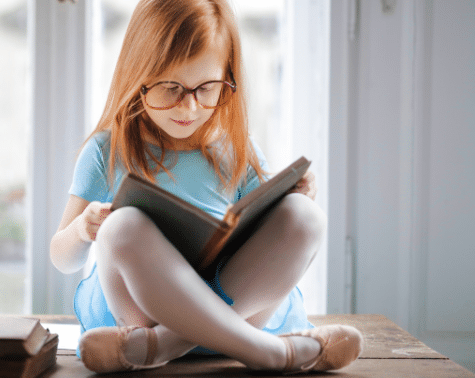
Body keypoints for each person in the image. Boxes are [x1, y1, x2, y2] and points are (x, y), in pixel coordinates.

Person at [50, 0, 363, 374]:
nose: (189, 107)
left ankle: (166, 345)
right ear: (138, 78)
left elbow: (267, 237)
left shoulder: (238, 149)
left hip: (229, 309)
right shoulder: (107, 150)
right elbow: (62, 258)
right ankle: (270, 353)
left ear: (227, 80)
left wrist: (292, 198)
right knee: (121, 227)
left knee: (306, 217)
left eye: (207, 88)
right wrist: (84, 229)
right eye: (170, 88)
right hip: (141, 313)